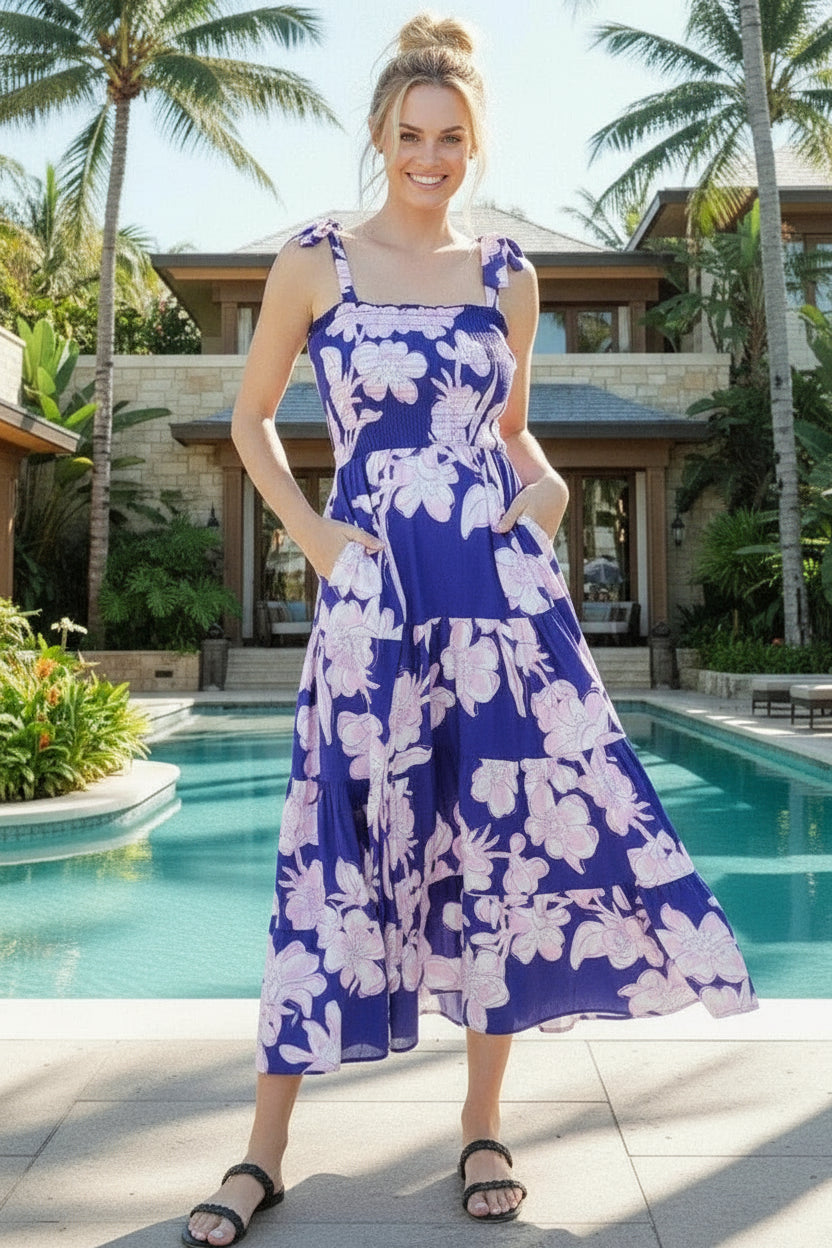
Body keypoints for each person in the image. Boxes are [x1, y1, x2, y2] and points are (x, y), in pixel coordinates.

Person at [183, 13, 758, 1245]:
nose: (429, 157)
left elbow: (509, 437)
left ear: (474, 143)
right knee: (330, 844)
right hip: (372, 599)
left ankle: (482, 1128)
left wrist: (546, 490)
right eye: (409, 136)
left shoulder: (508, 275)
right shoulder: (315, 261)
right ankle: (261, 1152)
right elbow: (249, 426)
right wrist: (315, 538)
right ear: (381, 137)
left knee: (497, 843)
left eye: (450, 139)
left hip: (495, 602)